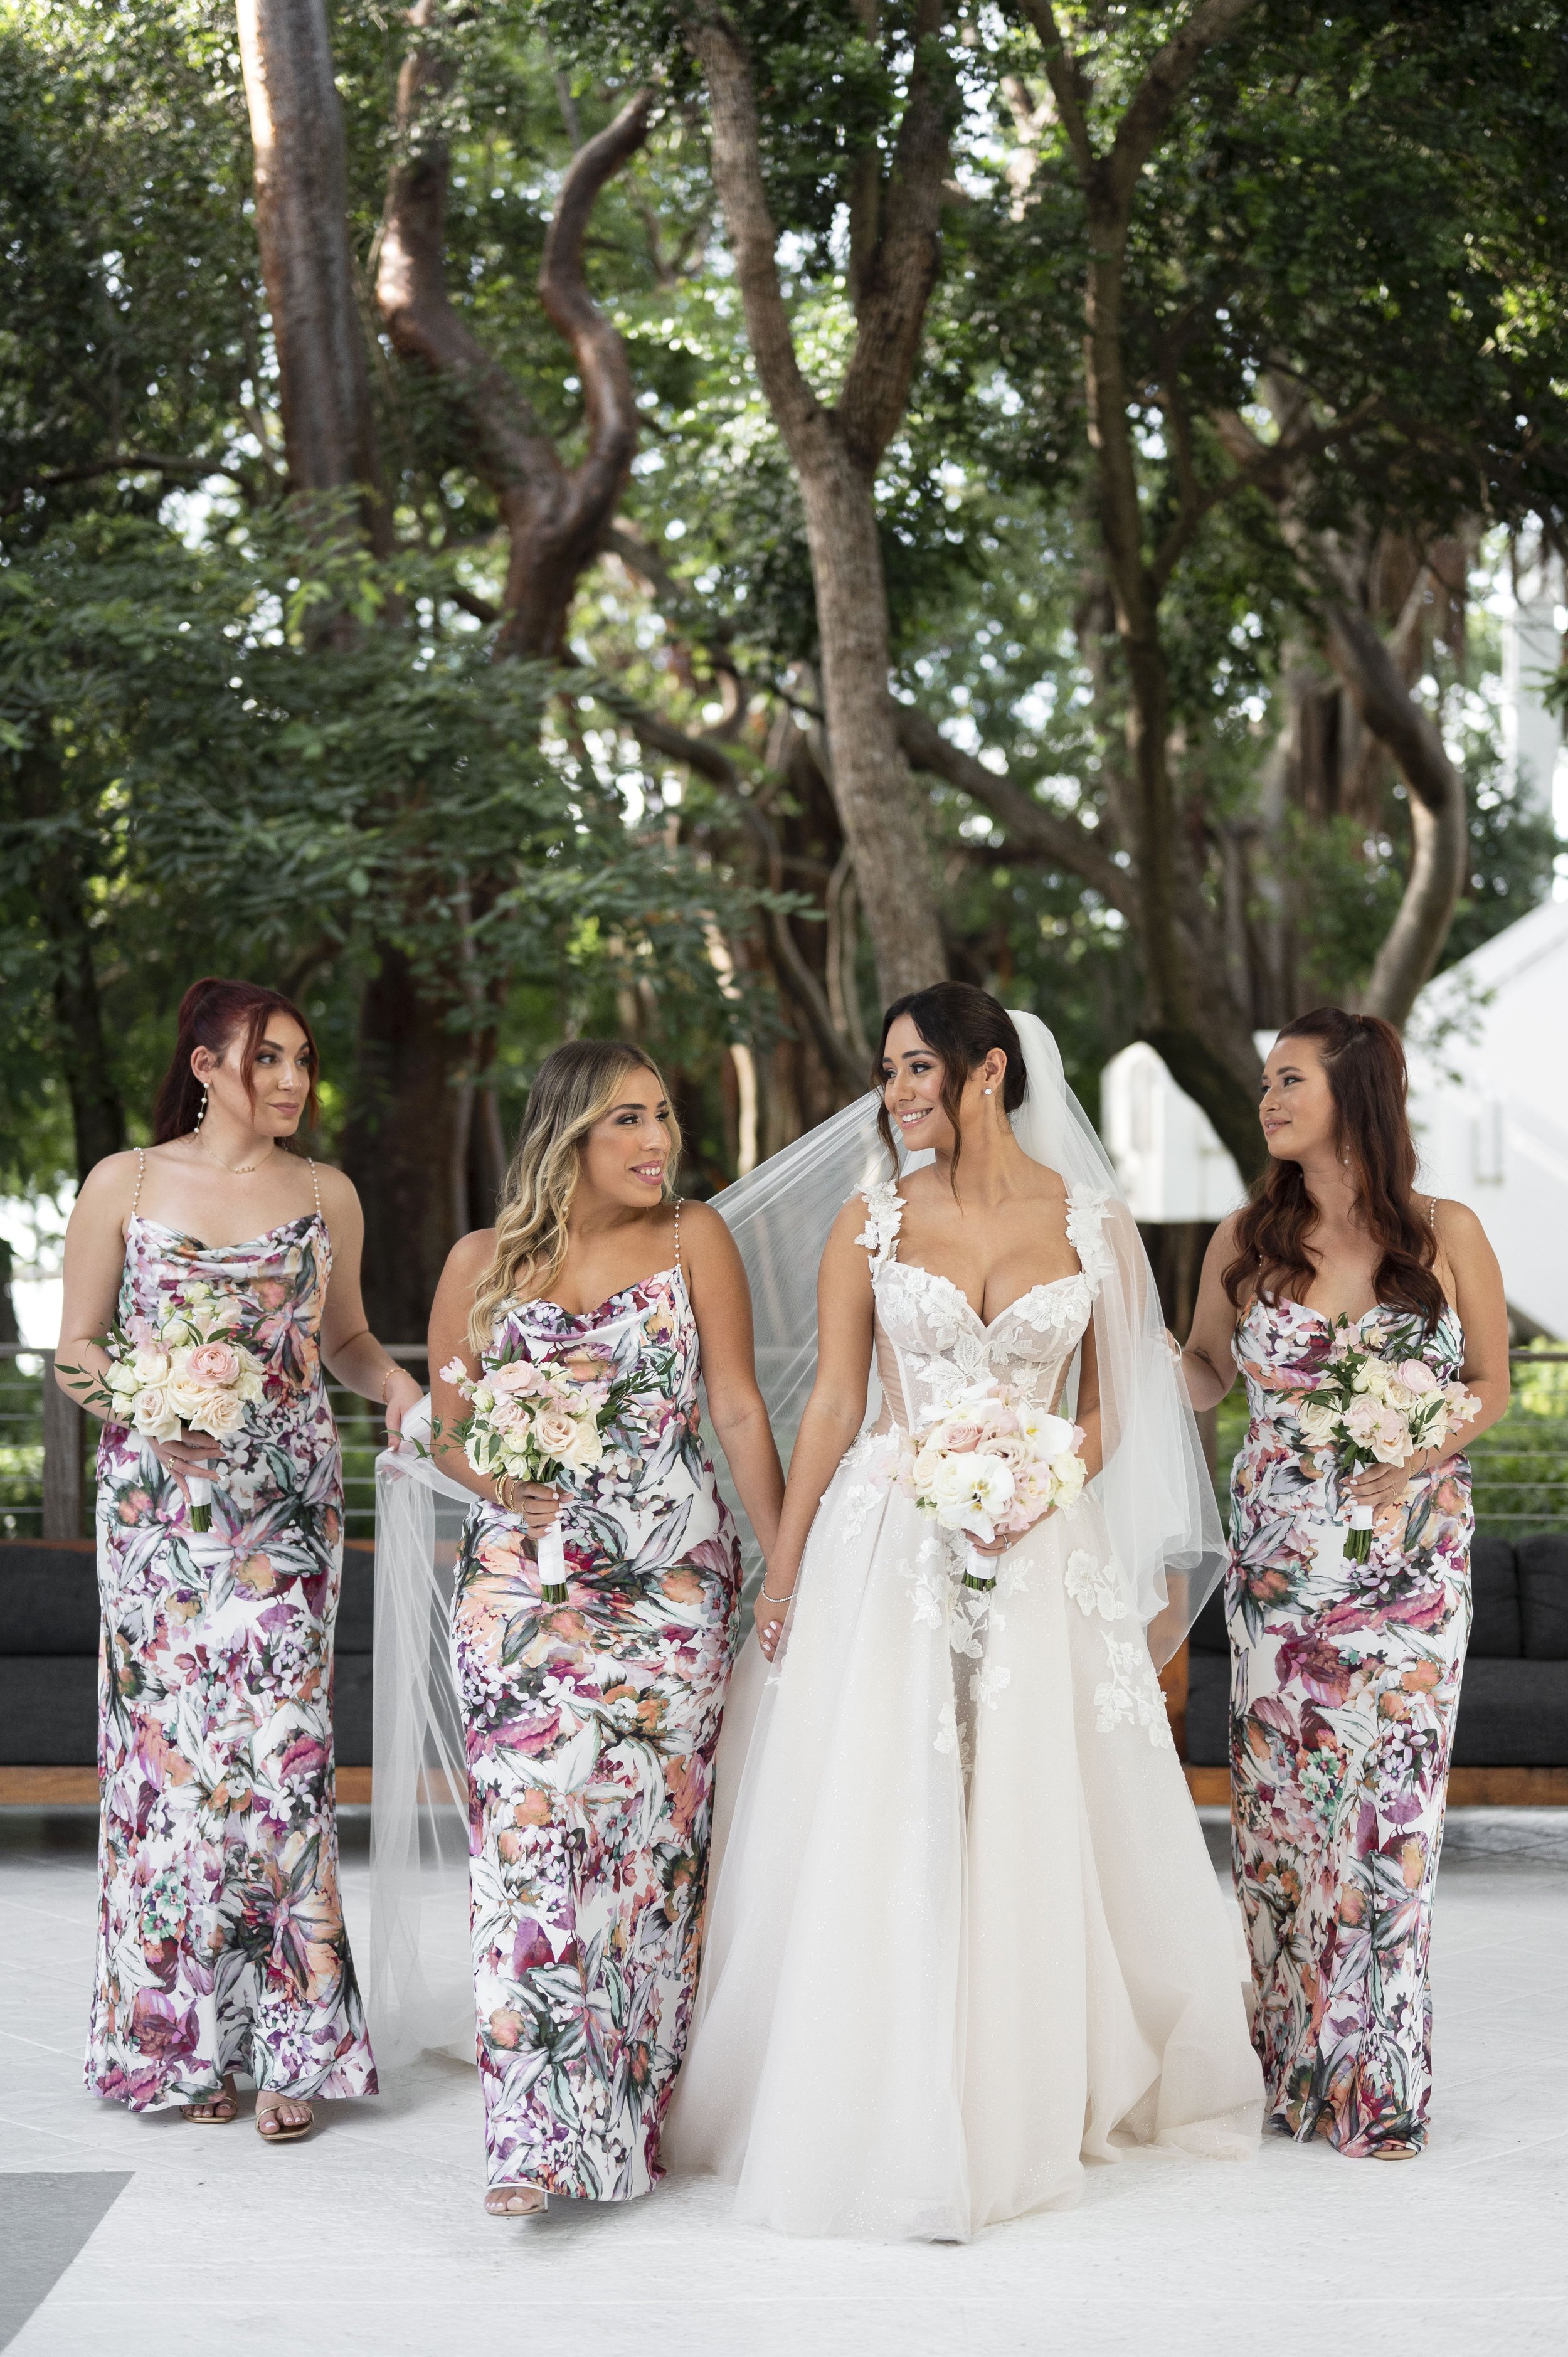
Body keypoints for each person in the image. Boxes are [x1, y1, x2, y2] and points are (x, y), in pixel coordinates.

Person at [663, 985, 1262, 2239]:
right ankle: (876, 2072)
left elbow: (1114, 1403)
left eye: (918, 1069)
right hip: (888, 1540)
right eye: (887, 1073)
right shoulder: (868, 1220)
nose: (896, 1094)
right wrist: (783, 1568)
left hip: (1039, 1545)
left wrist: (1034, 1479)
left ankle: (1023, 2071)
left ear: (989, 1070)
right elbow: (831, 1402)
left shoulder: (1094, 1226)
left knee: (1025, 1798)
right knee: (891, 1797)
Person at [416, 1039, 784, 2217]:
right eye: (628, 1119)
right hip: (518, 1599)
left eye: (664, 1116)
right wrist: (497, 1478)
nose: (656, 1140)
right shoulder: (481, 1261)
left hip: (670, 1596)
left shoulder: (695, 1240)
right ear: (568, 1131)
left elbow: (734, 1403)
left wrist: (791, 1565)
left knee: (645, 1865)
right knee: (526, 1850)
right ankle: (530, 2134)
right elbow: (450, 1431)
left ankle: (621, 2119)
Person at [56, 976, 423, 2140]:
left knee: (283, 1766)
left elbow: (349, 1341)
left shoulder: (327, 1192)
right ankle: (176, 2047)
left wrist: (400, 1387)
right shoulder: (125, 1181)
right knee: (169, 1776)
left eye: (304, 1061)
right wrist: (140, 1404)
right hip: (158, 1521)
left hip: (290, 1517)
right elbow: (74, 1353)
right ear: (208, 1063)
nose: (292, 1081)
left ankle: (297, 2051)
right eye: (269, 1059)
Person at [1180, 1008, 1509, 2159]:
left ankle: (1379, 2085)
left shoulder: (1445, 1230)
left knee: (1392, 1821)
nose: (1268, 1101)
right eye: (1265, 1084)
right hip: (1280, 1579)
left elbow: (1490, 1384)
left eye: (1290, 1081)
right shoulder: (1242, 1237)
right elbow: (1208, 1370)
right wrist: (1105, 1331)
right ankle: (1288, 2071)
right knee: (1285, 1832)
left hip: (1415, 1571)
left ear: (1355, 1091)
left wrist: (1418, 1450)